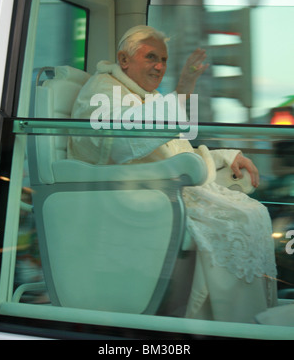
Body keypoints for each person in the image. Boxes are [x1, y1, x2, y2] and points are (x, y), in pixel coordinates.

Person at [68, 25, 277, 323]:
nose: (159, 66)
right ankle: (225, 325)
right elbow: (117, 146)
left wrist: (227, 157)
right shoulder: (103, 90)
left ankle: (250, 320)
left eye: (164, 60)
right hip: (124, 199)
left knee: (253, 213)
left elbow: (178, 152)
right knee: (237, 220)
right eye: (151, 57)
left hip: (160, 187)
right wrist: (182, 89)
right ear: (123, 59)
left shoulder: (144, 95)